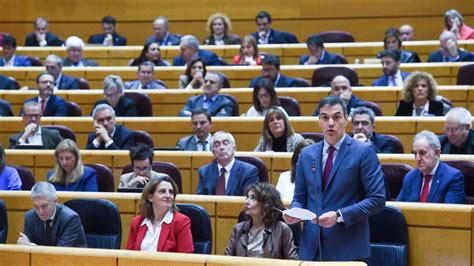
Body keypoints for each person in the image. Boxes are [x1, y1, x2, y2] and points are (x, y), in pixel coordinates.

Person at [284, 96, 386, 261]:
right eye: (325, 117)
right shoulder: (306, 154)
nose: (330, 122)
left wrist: (339, 215)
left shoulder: (363, 152)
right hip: (311, 247)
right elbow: (299, 198)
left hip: (347, 248)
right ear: (319, 121)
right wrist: (294, 213)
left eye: (336, 117)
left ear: (346, 120)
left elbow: (378, 199)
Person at [225, 182, 298, 259]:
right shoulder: (238, 229)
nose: (246, 202)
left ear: (266, 204)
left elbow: (292, 261)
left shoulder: (282, 229)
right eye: (247, 197)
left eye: (253, 198)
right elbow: (227, 259)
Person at [126, 176, 194, 252]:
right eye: (162, 191)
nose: (168, 196)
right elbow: (129, 256)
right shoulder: (137, 222)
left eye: (171, 192)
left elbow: (185, 259)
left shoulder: (181, 222)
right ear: (150, 197)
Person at [397, 130, 465, 204]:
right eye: (415, 153)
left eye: (422, 153)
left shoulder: (453, 177)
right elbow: (399, 209)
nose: (417, 158)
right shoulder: (410, 177)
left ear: (436, 153)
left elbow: (450, 213)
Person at [17, 182, 87, 247]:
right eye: (36, 207)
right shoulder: (29, 217)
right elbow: (25, 245)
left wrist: (32, 247)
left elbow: (59, 253)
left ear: (55, 201)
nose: (40, 211)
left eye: (44, 206)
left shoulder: (71, 219)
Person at [196, 131, 259, 196]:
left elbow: (249, 200)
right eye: (217, 145)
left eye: (225, 143)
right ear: (213, 152)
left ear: (234, 148)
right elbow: (200, 201)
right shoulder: (204, 171)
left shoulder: (249, 171)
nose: (221, 147)